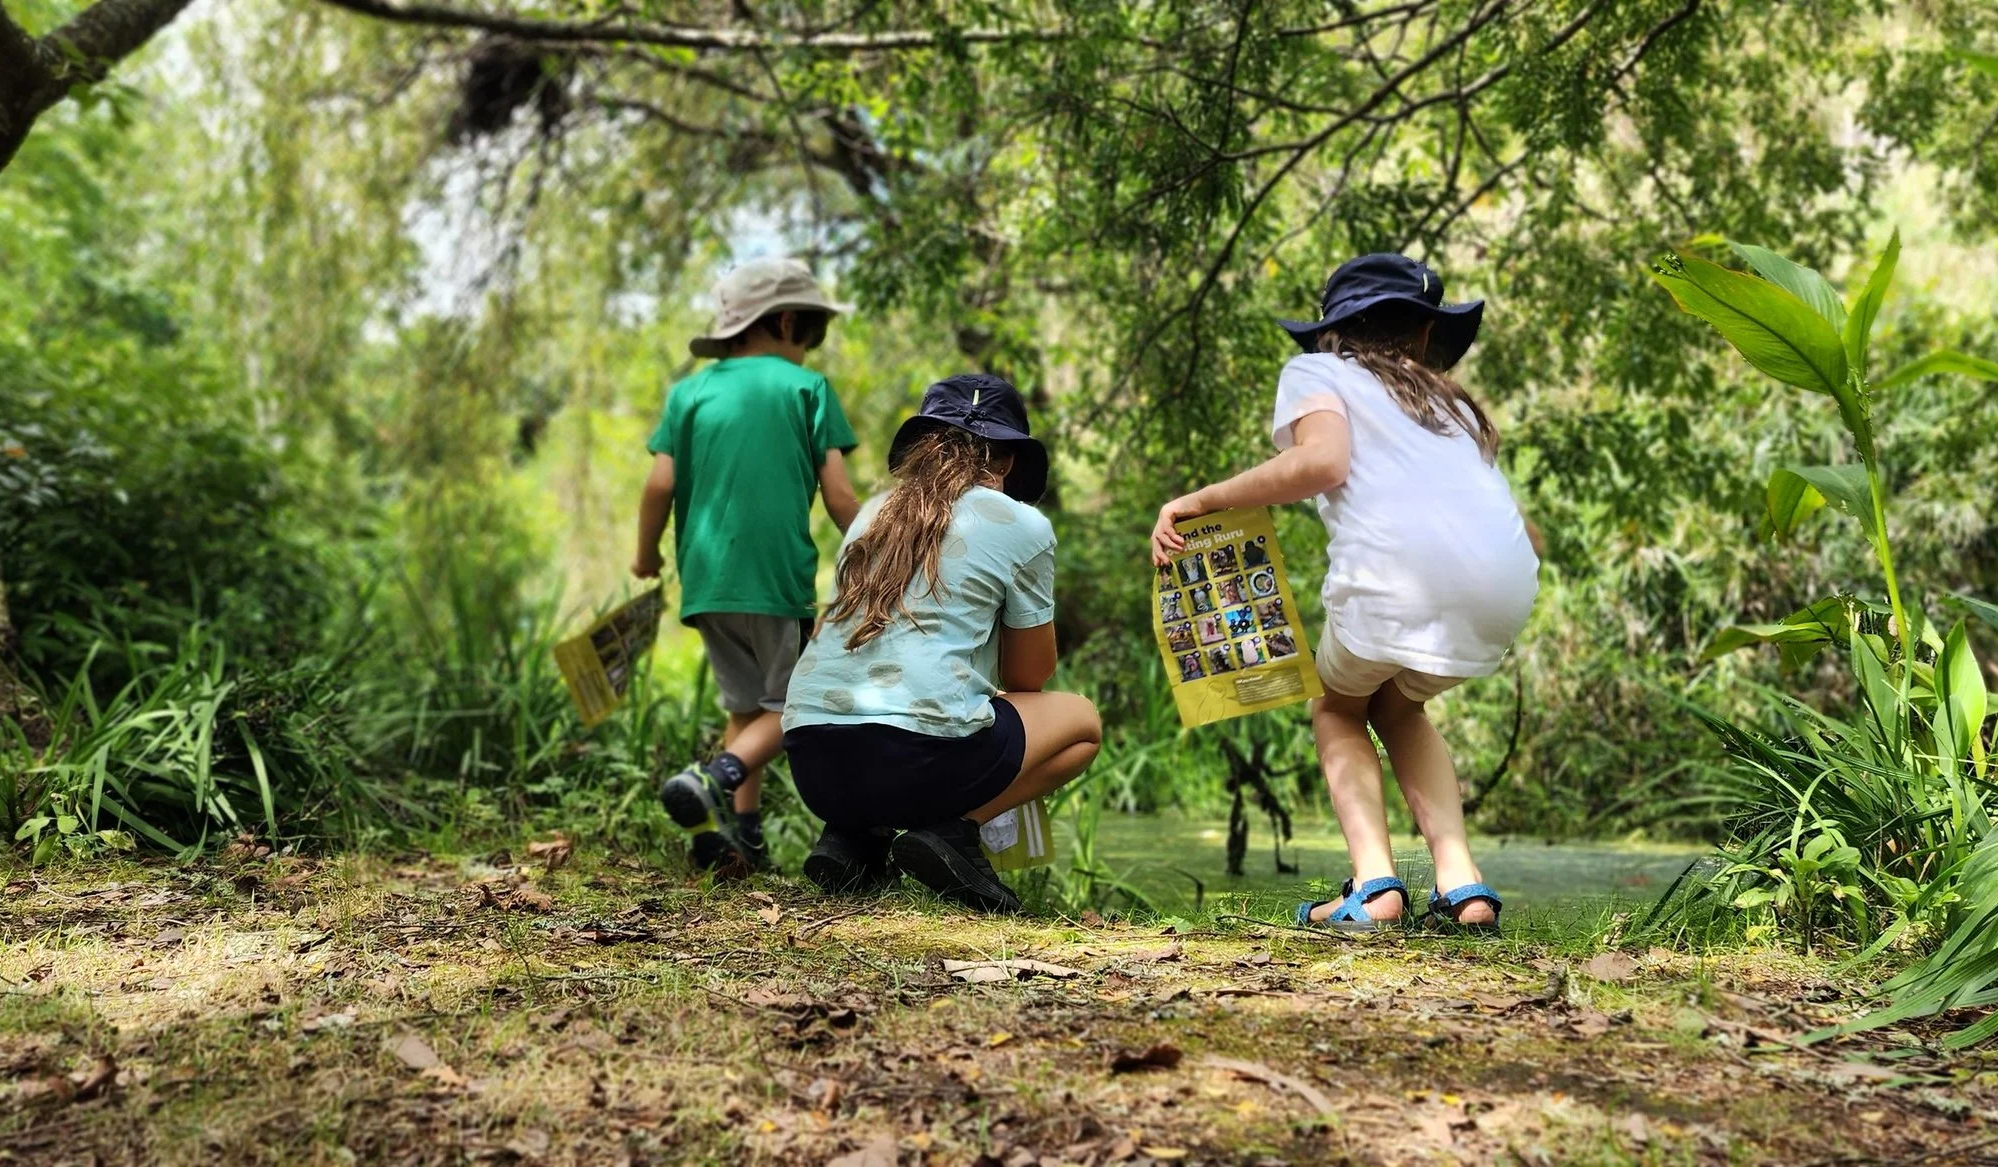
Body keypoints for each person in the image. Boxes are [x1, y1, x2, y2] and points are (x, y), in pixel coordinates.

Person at [1150, 253, 1539, 931]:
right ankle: (1463, 885)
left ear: (1337, 333)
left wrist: (1201, 500)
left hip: (1398, 583)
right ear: (1423, 338)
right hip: (1502, 589)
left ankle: (1376, 885)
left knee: (1336, 707)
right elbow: (1512, 525)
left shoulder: (1319, 371)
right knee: (1399, 708)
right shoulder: (1454, 407)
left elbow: (1322, 461)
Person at [781, 374, 1103, 913]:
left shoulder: (869, 514)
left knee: (908, 708)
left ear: (921, 446)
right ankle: (952, 832)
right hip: (918, 761)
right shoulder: (1024, 524)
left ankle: (855, 836)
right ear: (1006, 462)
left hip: (812, 761)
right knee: (1082, 723)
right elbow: (1030, 678)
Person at [635, 257, 861, 876]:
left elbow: (659, 485)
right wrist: (888, 550)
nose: (810, 349)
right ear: (786, 320)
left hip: (706, 581)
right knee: (794, 707)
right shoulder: (805, 389)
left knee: (746, 708)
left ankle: (739, 839)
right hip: (776, 580)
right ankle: (716, 778)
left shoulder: (690, 392)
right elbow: (841, 498)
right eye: (811, 333)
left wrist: (644, 554)